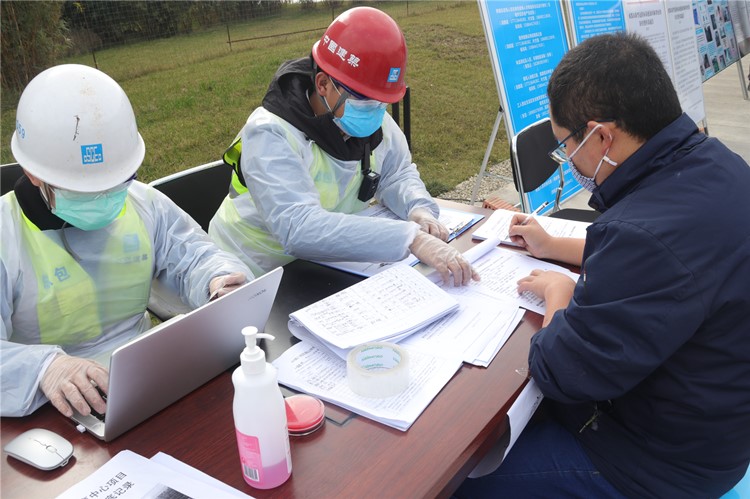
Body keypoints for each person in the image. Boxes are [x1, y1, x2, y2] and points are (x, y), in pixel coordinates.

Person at [456, 33, 750, 498]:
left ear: (601, 136)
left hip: (653, 466)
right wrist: (552, 244)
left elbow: (560, 371)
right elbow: (671, 263)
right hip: (715, 429)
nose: (567, 159)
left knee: (459, 479)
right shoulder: (715, 164)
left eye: (565, 145)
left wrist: (560, 293)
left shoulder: (644, 238)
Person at [1, 64, 252, 419]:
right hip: (50, 406)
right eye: (86, 189)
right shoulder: (5, 235)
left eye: (117, 180)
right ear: (34, 174)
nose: (106, 197)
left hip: (145, 383)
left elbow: (193, 254)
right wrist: (44, 368)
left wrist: (218, 279)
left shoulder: (142, 202)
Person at [208, 6, 478, 286]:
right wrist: (409, 237)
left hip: (325, 264)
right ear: (323, 83)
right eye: (365, 99)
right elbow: (298, 227)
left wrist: (418, 209)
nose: (376, 110)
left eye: (382, 100)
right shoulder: (270, 132)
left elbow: (397, 173)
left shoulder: (371, 121)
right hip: (253, 269)